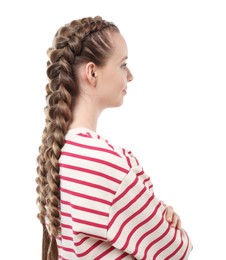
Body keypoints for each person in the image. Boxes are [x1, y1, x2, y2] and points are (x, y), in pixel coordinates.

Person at [36, 16, 192, 260]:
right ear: (92, 72)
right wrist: (165, 218)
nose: (129, 76)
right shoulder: (105, 164)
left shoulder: (60, 153)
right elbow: (177, 249)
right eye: (122, 64)